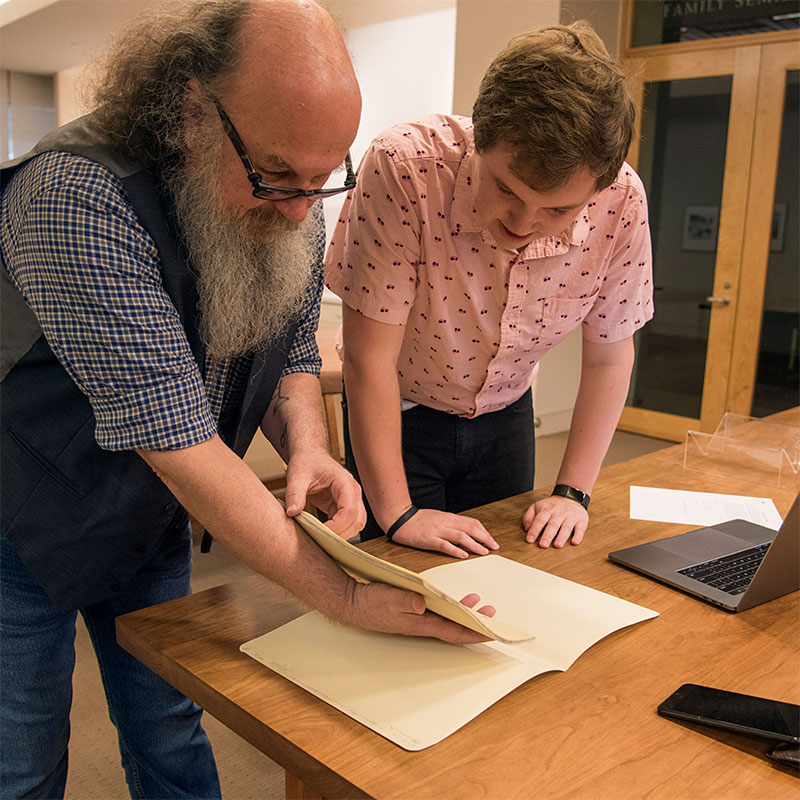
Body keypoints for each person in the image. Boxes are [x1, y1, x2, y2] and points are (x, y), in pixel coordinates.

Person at [0, 2, 492, 797]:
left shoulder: (289, 185)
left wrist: (309, 445)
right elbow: (178, 440)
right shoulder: (73, 197)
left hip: (147, 516)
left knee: (167, 718)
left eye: (323, 177)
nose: (303, 208)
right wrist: (346, 596)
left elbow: (290, 348)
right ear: (194, 110)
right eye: (276, 175)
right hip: (22, 517)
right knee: (20, 757)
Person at [325, 21, 653, 558]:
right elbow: (368, 358)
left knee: (508, 578)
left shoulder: (622, 202)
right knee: (392, 577)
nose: (524, 222)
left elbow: (609, 358)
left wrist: (572, 492)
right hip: (398, 411)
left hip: (507, 414)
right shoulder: (406, 168)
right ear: (479, 137)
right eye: (505, 189)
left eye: (558, 210)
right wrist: (398, 513)